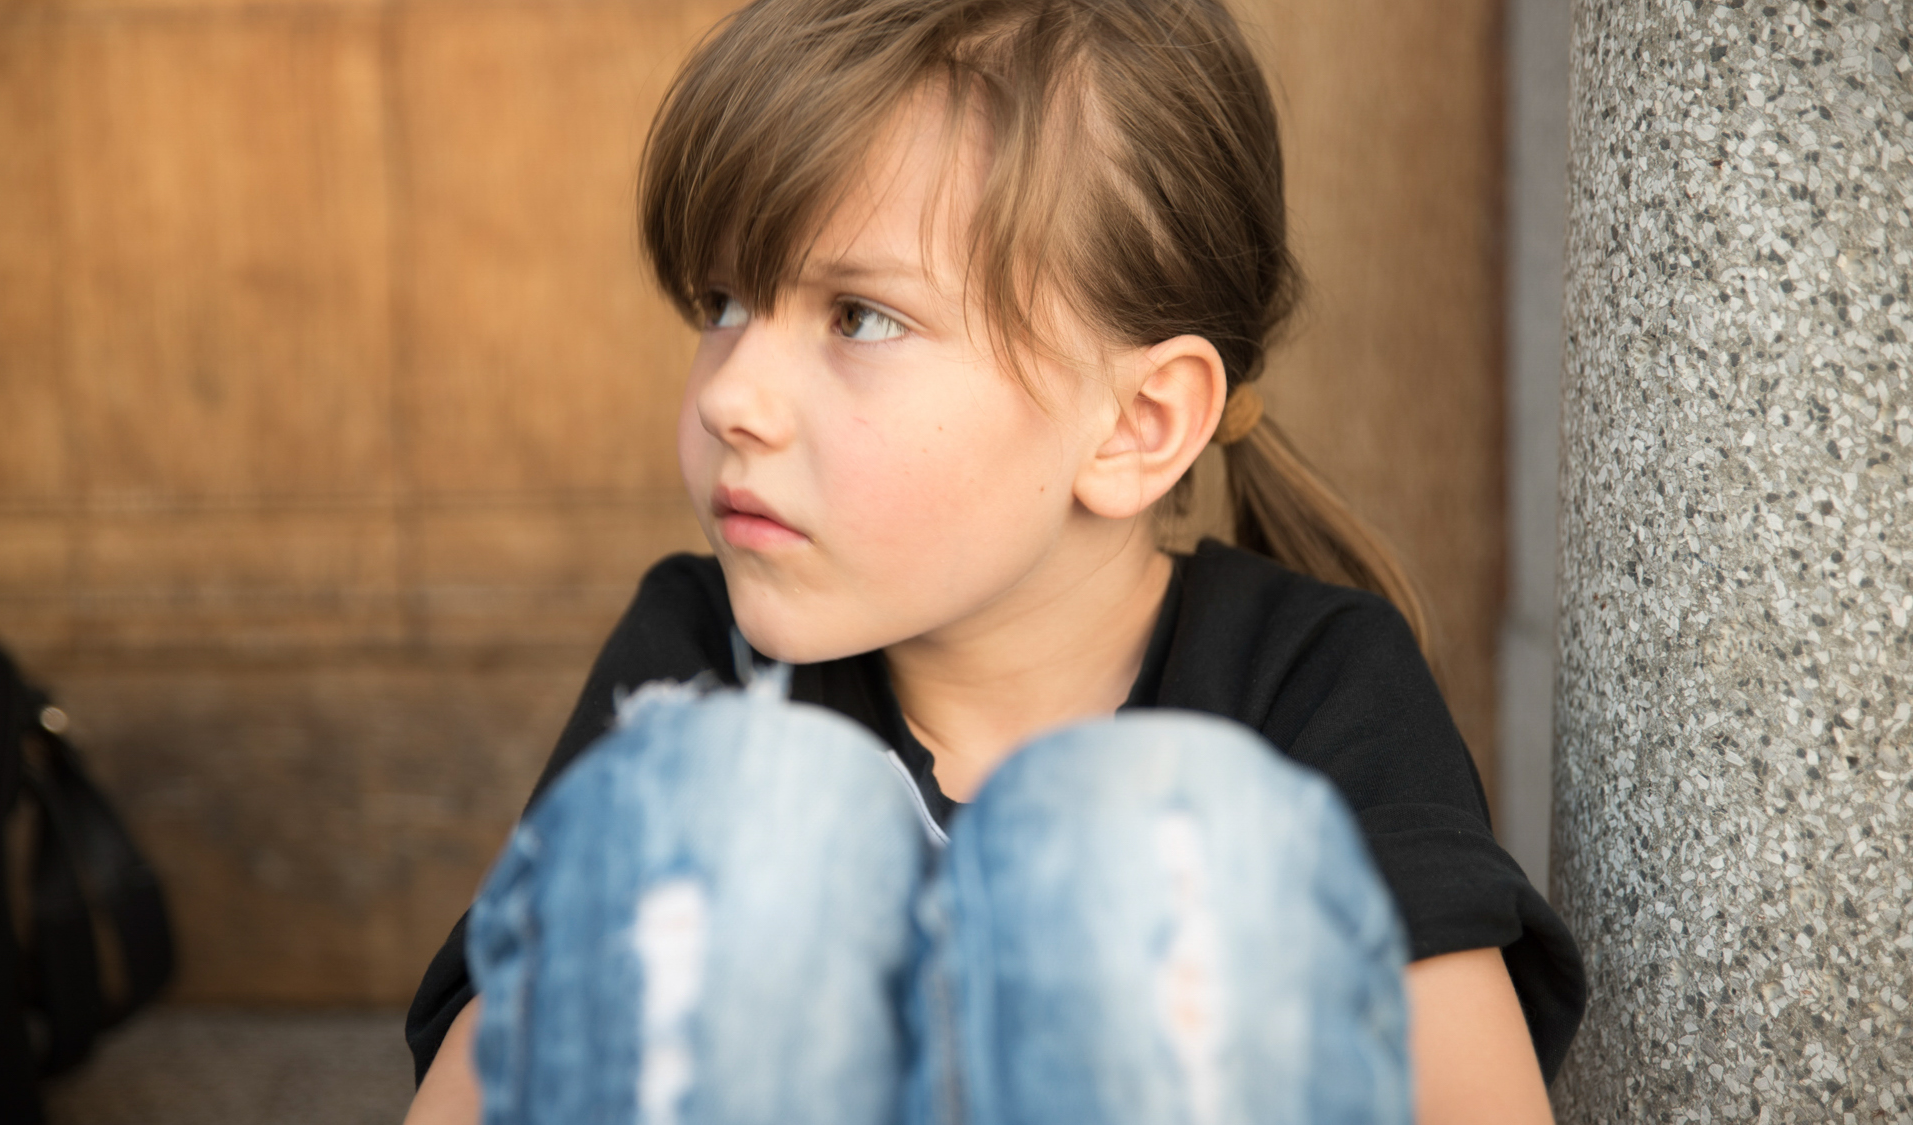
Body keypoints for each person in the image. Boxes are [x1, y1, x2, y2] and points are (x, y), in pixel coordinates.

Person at [404, 0, 1584, 1121]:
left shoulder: (1313, 682)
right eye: (721, 301)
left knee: (1155, 834)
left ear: (1135, 426)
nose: (733, 395)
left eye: (860, 316)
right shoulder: (696, 666)